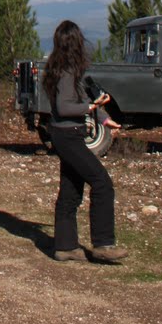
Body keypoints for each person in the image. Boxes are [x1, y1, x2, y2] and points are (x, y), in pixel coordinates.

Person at [42, 20, 127, 265]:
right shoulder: (67, 72)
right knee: (102, 183)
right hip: (68, 136)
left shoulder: (62, 69)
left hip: (65, 134)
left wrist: (104, 119)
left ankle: (65, 247)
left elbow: (78, 100)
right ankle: (103, 244)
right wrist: (91, 107)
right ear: (76, 42)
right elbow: (65, 107)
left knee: (71, 190)